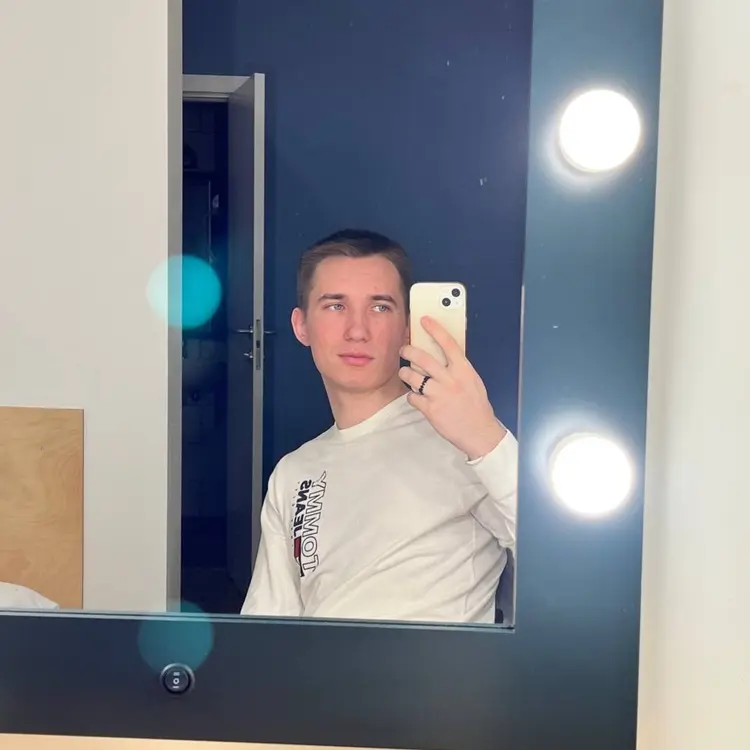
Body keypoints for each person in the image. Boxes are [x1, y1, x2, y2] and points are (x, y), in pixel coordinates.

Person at [241, 229, 517, 624]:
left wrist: (484, 438)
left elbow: (563, 561)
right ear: (301, 326)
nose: (357, 330)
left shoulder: (465, 438)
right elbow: (268, 626)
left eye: (380, 307)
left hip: (435, 666)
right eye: (335, 306)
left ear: (407, 327)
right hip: (316, 665)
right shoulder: (293, 473)